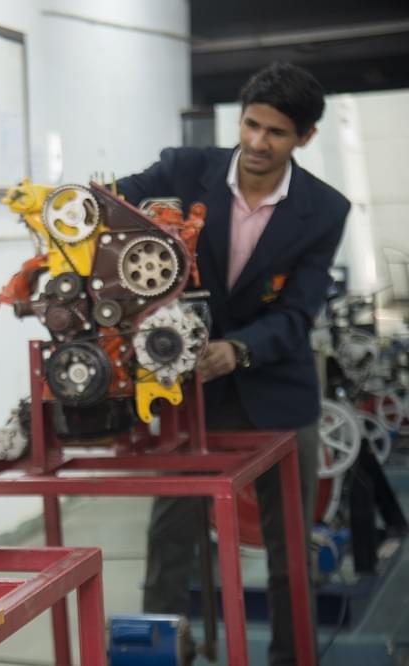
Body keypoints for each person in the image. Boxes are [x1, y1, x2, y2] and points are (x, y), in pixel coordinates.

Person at [117, 62, 350, 664]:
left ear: (304, 138)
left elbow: (299, 312)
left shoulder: (325, 210)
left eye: (275, 132)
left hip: (276, 391)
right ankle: (157, 654)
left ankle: (292, 656)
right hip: (188, 393)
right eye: (250, 124)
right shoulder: (181, 170)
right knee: (170, 538)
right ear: (239, 117)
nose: (256, 142)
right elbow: (106, 210)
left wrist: (237, 350)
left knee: (287, 548)